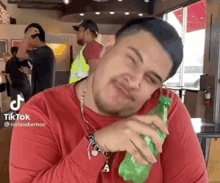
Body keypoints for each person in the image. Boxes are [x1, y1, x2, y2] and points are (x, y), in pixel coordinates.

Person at [10, 17, 208, 183]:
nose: (134, 81)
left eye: (151, 78)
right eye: (131, 59)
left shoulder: (165, 109)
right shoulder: (41, 111)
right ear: (108, 48)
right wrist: (97, 145)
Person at [17, 23, 56, 97]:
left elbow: (20, 54)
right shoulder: (43, 51)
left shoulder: (43, 51)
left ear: (36, 38)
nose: (28, 41)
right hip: (42, 95)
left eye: (29, 38)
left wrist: (27, 35)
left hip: (42, 96)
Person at [69, 19, 103, 83]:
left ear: (87, 31)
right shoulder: (90, 47)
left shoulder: (92, 47)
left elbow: (94, 76)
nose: (77, 33)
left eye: (79, 30)